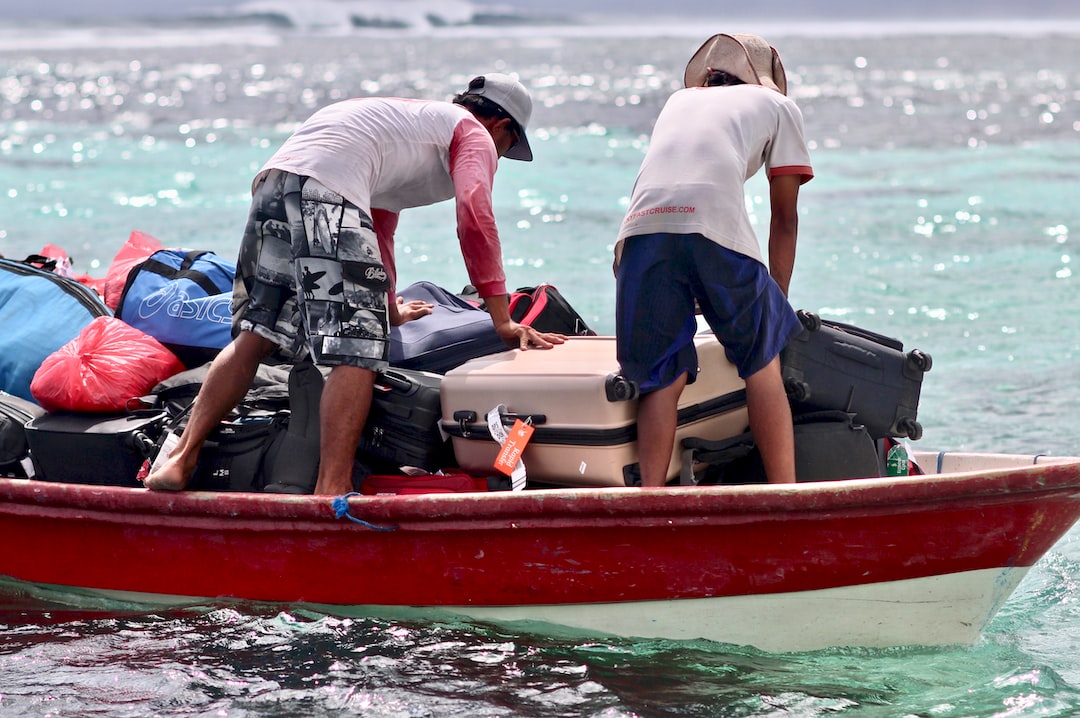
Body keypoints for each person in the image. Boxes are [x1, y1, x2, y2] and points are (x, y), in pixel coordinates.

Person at [145, 73, 565, 496]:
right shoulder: (472, 132)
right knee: (359, 351)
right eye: (508, 149)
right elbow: (475, 216)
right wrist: (502, 321)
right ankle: (333, 488)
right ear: (502, 127)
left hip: (275, 181)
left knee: (257, 333)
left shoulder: (412, 123)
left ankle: (180, 459)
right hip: (328, 194)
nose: (500, 157)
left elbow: (377, 231)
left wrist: (390, 309)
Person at [614, 34, 814, 486]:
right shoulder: (777, 106)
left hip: (640, 231)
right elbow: (785, 217)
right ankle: (784, 496)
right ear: (768, 79)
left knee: (661, 376)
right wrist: (775, 301)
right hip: (712, 224)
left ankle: (650, 501)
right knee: (762, 360)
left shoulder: (679, 100)